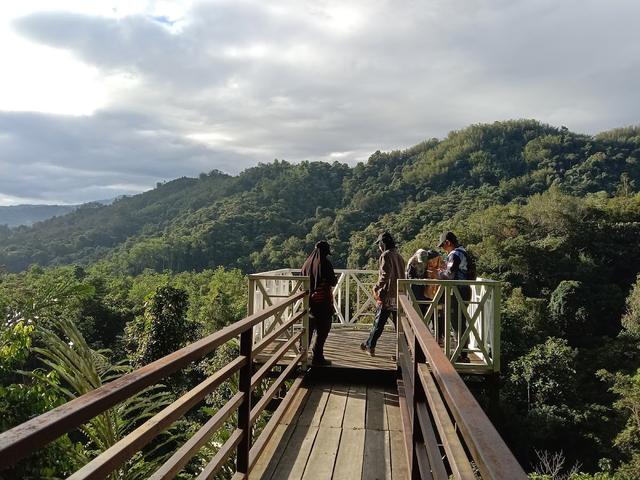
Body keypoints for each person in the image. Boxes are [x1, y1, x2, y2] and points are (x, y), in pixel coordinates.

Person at [361, 232, 405, 356]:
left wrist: (376, 287)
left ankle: (370, 346)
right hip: (399, 295)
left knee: (378, 322)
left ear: (383, 244)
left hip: (387, 294)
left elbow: (385, 275)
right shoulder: (399, 256)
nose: (378, 247)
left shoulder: (386, 255)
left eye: (379, 244)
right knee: (400, 327)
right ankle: (403, 351)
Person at [301, 240, 338, 366]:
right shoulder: (325, 263)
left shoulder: (306, 263)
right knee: (323, 329)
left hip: (309, 302)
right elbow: (332, 281)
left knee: (309, 329)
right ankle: (317, 356)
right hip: (323, 303)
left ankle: (302, 355)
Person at [437, 231, 472, 362]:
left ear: (448, 242)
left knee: (457, 323)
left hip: (459, 291)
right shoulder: (463, 252)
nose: (443, 249)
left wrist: (438, 274)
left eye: (443, 245)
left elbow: (449, 275)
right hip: (465, 290)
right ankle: (463, 353)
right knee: (460, 322)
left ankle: (461, 355)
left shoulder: (455, 254)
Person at [406, 248, 440, 315]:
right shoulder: (412, 262)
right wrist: (421, 280)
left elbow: (425, 273)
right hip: (413, 288)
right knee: (415, 310)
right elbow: (410, 278)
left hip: (422, 289)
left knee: (423, 310)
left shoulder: (425, 261)